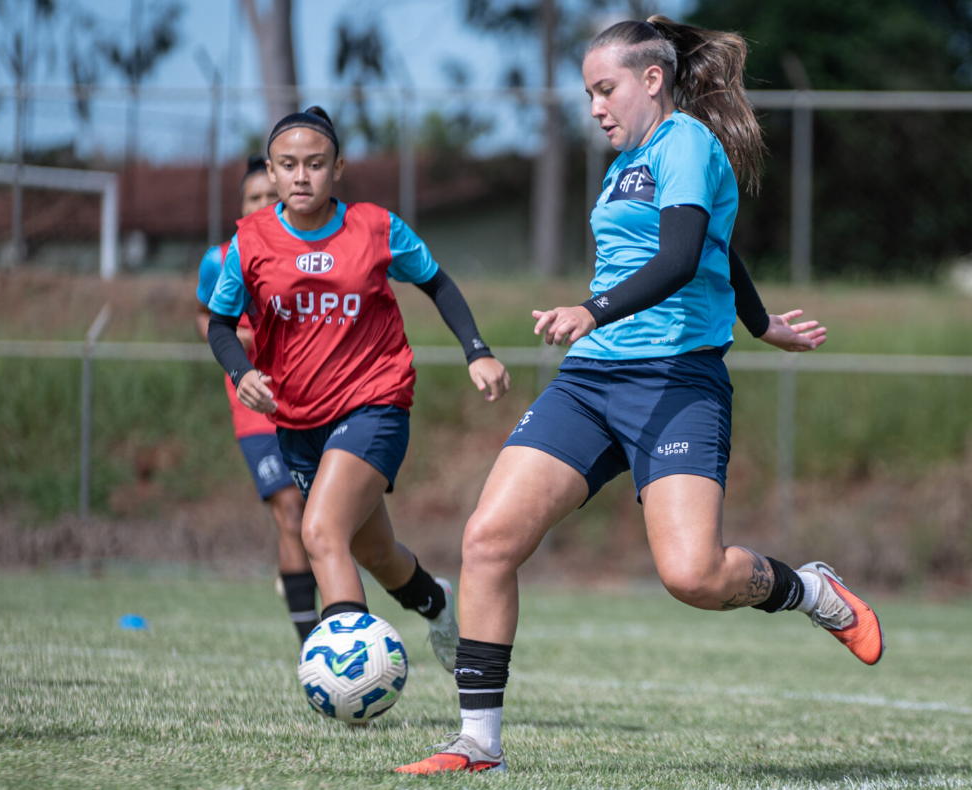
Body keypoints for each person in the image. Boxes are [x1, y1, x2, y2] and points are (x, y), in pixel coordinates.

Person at [396, 17, 883, 775]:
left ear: (652, 80)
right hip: (590, 380)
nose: (594, 107)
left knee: (693, 576)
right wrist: (759, 322)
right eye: (588, 93)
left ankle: (810, 590)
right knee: (488, 540)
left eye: (604, 89)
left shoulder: (685, 141)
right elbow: (717, 245)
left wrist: (594, 310)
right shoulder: (628, 162)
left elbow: (686, 254)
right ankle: (478, 744)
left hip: (676, 380)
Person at [205, 107, 510, 672]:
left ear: (338, 168)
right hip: (297, 422)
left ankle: (350, 673)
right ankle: (438, 604)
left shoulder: (375, 227)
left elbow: (437, 282)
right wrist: (241, 372)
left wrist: (478, 350)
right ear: (270, 172)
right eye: (288, 165)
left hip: (374, 404)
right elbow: (220, 324)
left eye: (315, 164)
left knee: (320, 531)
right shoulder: (250, 241)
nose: (302, 176)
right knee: (373, 551)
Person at [195, 154, 314, 644]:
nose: (263, 202)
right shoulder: (221, 258)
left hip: (311, 400)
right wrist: (235, 342)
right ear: (241, 206)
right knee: (289, 510)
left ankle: (304, 581)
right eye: (254, 197)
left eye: (270, 194)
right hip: (255, 405)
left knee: (320, 517)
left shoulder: (309, 251)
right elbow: (205, 316)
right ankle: (312, 642)